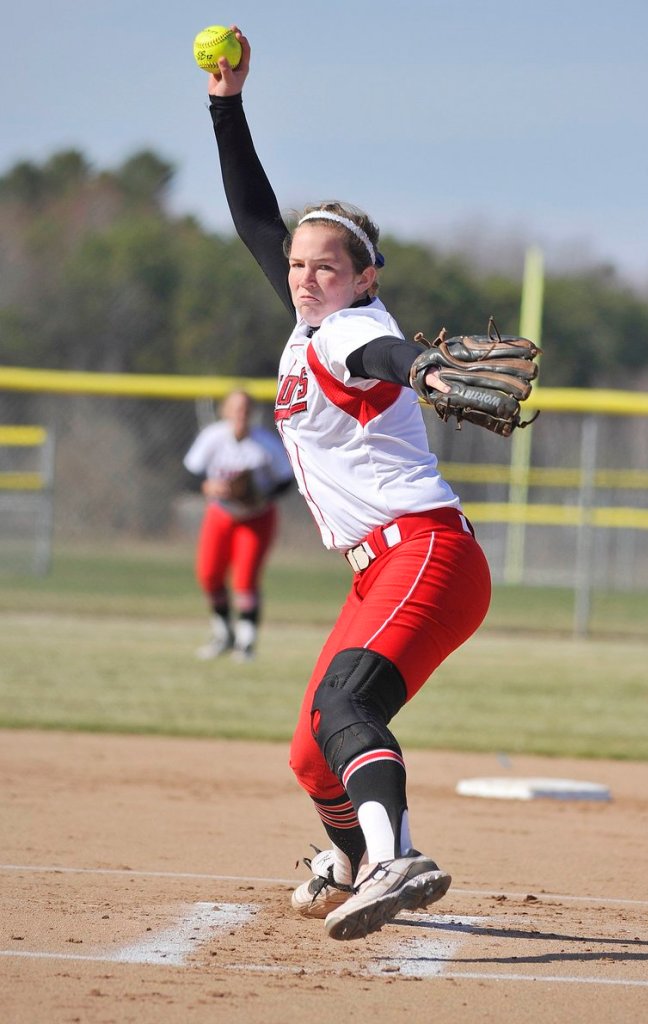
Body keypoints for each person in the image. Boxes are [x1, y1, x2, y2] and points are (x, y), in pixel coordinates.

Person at [204, 28, 492, 940]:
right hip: (382, 568)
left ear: (363, 276)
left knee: (345, 705)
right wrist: (226, 104)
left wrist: (425, 372)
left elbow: (381, 351)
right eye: (298, 265)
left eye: (326, 265)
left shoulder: (346, 328)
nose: (304, 276)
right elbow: (256, 219)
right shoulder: (303, 317)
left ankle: (394, 856)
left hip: (426, 553)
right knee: (310, 752)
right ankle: (353, 857)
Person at [183, 389, 293, 661]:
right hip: (220, 513)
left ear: (252, 413)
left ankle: (246, 643)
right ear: (225, 411)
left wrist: (259, 496)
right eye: (235, 408)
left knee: (245, 579)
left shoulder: (264, 443)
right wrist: (207, 486)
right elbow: (191, 471)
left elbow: (286, 479)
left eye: (245, 409)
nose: (240, 414)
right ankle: (223, 634)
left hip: (256, 517)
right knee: (209, 574)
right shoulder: (213, 437)